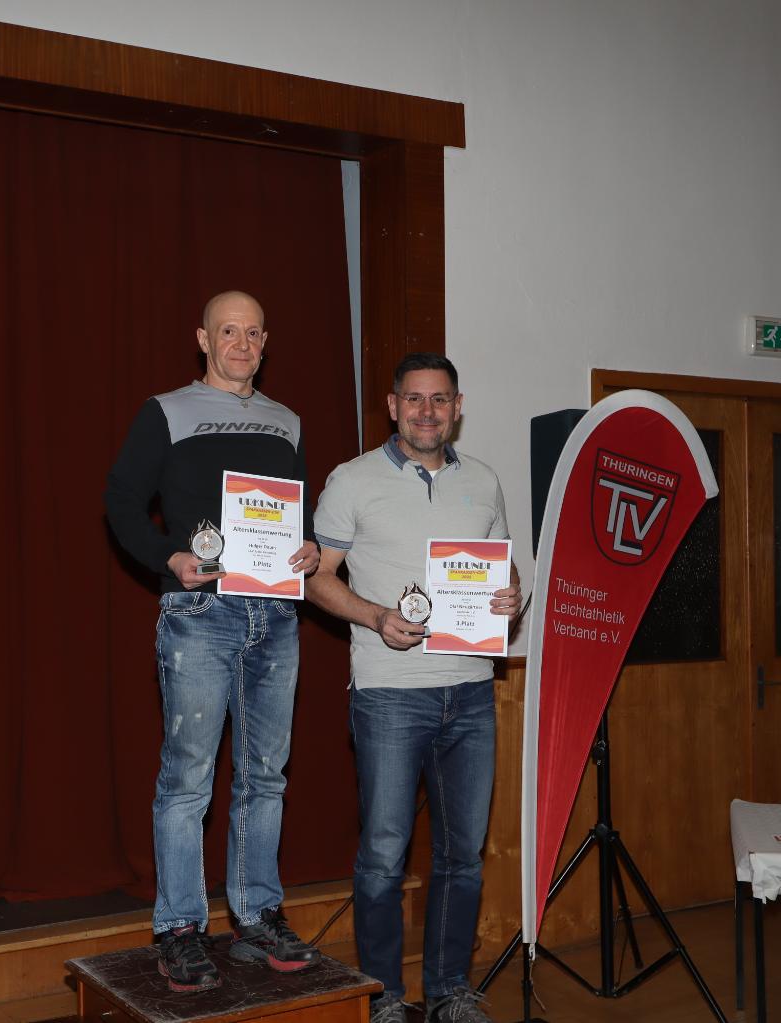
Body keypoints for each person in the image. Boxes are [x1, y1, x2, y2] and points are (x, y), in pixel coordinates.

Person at [104, 291, 321, 993]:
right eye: (229, 331)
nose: (242, 344)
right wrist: (167, 557)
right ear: (203, 339)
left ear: (265, 341)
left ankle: (257, 917)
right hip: (198, 612)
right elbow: (120, 500)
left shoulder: (287, 422)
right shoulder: (165, 411)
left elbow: (295, 518)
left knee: (266, 775)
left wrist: (310, 548)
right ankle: (179, 928)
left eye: (253, 333)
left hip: (275, 617)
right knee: (187, 778)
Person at [307, 353, 521, 1023]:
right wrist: (376, 616)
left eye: (440, 399)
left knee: (463, 856)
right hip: (389, 693)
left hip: (471, 691)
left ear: (457, 407)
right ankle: (383, 999)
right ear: (393, 406)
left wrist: (510, 597)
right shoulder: (351, 479)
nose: (428, 411)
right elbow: (316, 577)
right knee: (383, 854)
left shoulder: (483, 480)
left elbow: (503, 573)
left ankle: (450, 992)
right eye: (415, 399)